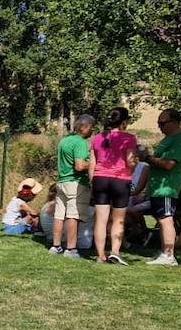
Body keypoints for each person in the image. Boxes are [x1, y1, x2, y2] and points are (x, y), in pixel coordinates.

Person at [137, 108, 181, 265]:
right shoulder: (168, 139)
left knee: (166, 219)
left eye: (162, 123)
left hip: (166, 187)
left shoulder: (179, 140)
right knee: (161, 219)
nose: (160, 126)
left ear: (174, 122)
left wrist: (147, 157)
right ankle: (164, 251)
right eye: (158, 123)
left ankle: (168, 254)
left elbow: (168, 164)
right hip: (158, 187)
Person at [91, 106, 138, 264]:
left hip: (100, 179)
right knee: (118, 219)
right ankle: (115, 252)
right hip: (120, 179)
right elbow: (131, 162)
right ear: (124, 122)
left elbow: (92, 164)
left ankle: (100, 255)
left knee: (101, 220)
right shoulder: (128, 138)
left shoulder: (97, 138)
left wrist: (93, 182)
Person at [51, 115, 95, 257]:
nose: (92, 131)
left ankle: (56, 246)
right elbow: (80, 165)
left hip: (62, 181)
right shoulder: (80, 142)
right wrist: (95, 162)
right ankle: (71, 249)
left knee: (59, 215)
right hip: (75, 183)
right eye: (91, 127)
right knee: (72, 215)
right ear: (83, 127)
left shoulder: (64, 141)